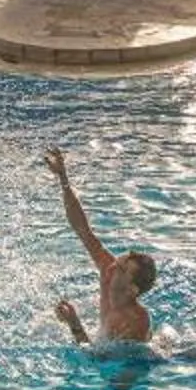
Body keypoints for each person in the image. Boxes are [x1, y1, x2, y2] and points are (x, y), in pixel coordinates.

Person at [44, 147, 157, 346]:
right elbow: (82, 230)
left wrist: (74, 323)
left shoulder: (135, 322)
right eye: (118, 261)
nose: (112, 266)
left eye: (121, 269)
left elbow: (99, 361)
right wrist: (63, 178)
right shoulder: (108, 271)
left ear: (132, 290)